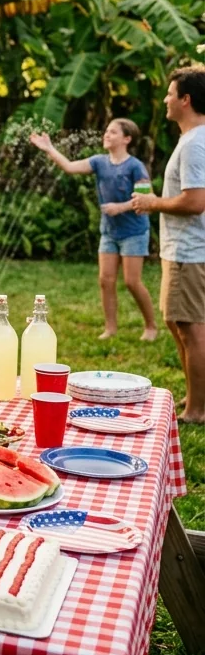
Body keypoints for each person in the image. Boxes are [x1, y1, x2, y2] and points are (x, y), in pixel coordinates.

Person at [30, 119, 158, 341]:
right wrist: (49, 148)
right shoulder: (99, 162)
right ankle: (110, 328)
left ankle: (151, 326)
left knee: (131, 281)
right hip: (109, 231)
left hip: (134, 231)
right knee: (105, 280)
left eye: (113, 132)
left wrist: (121, 207)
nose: (106, 134)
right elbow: (70, 167)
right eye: (106, 130)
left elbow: (149, 199)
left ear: (126, 139)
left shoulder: (135, 166)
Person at [133, 67, 205, 423]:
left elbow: (194, 201)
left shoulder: (194, 143)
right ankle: (195, 399)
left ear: (186, 99)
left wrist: (153, 203)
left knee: (190, 327)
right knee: (179, 323)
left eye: (170, 93)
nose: (165, 99)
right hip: (182, 249)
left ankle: (197, 410)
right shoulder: (192, 139)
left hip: (189, 251)